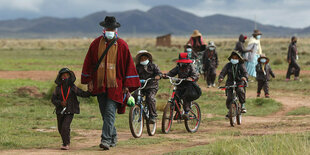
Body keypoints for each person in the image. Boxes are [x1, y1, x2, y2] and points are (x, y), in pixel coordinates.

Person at [81, 16, 140, 150]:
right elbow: (88, 63)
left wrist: (127, 85)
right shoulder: (95, 44)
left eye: (112, 29)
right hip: (100, 84)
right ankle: (113, 136)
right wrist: (89, 81)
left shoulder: (123, 45)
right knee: (105, 114)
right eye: (108, 28)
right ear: (104, 29)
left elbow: (128, 66)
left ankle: (105, 140)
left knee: (109, 113)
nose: (110, 30)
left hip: (116, 86)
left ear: (116, 29)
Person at [51, 68, 91, 150]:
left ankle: (66, 144)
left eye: (67, 75)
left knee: (65, 127)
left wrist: (90, 92)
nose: (65, 77)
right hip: (60, 111)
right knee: (60, 128)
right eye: (63, 75)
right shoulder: (57, 88)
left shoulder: (73, 87)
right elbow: (53, 99)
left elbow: (82, 94)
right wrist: (60, 103)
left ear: (70, 76)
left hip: (70, 110)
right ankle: (66, 141)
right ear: (60, 77)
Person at [163, 53, 199, 120]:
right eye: (181, 62)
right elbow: (171, 73)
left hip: (189, 86)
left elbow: (195, 75)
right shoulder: (178, 67)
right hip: (179, 85)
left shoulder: (191, 66)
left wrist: (191, 78)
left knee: (186, 98)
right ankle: (178, 112)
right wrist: (165, 75)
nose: (182, 63)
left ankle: (186, 112)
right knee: (176, 96)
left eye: (184, 62)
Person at [134, 50, 162, 123]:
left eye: (145, 58)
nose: (143, 60)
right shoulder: (137, 67)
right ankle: (136, 109)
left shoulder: (153, 66)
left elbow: (159, 73)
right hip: (141, 86)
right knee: (135, 95)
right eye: (141, 59)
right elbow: (134, 75)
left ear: (148, 59)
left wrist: (158, 76)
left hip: (152, 86)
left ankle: (153, 116)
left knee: (150, 98)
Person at [218, 52, 248, 116]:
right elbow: (223, 72)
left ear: (239, 59)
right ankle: (230, 110)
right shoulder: (228, 65)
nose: (234, 59)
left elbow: (245, 73)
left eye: (236, 58)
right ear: (231, 58)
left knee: (240, 90)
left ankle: (242, 105)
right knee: (229, 97)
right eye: (233, 58)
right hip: (230, 82)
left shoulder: (241, 65)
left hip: (239, 82)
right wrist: (221, 78)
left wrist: (244, 77)